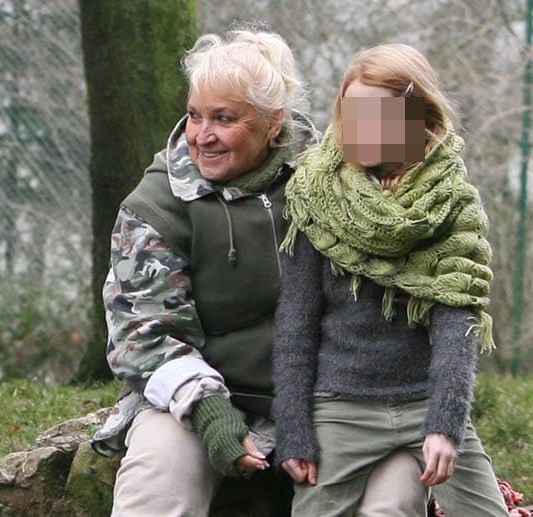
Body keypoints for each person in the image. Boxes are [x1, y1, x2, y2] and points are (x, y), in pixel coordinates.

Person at [92, 30, 425, 516]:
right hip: (198, 396)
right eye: (195, 114)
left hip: (335, 398)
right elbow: (143, 334)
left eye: (224, 118)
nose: (202, 134)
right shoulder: (157, 205)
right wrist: (208, 411)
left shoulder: (338, 179)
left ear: (274, 123)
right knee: (158, 486)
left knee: (393, 497)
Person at [273, 43, 509, 516]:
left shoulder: (454, 204)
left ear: (417, 116)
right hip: (341, 406)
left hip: (425, 399)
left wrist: (445, 424)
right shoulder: (316, 196)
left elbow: (456, 321)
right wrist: (294, 429)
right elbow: (296, 321)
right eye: (354, 111)